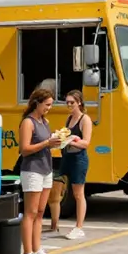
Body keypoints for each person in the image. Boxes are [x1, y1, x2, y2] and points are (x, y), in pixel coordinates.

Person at [18, 87, 62, 254]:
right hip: (32, 170)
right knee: (30, 212)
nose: (49, 108)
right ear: (37, 103)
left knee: (41, 211)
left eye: (50, 105)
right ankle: (27, 253)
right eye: (47, 105)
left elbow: (46, 145)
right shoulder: (28, 123)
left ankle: (37, 249)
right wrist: (46, 143)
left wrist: (56, 142)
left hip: (46, 169)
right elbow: (24, 149)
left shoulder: (44, 121)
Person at [48, 90, 92, 239]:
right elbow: (65, 136)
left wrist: (71, 141)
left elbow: (86, 143)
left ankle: (79, 227)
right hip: (67, 157)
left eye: (72, 102)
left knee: (78, 194)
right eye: (67, 102)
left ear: (79, 102)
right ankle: (54, 224)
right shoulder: (69, 119)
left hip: (79, 159)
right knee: (60, 189)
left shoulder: (85, 119)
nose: (69, 105)